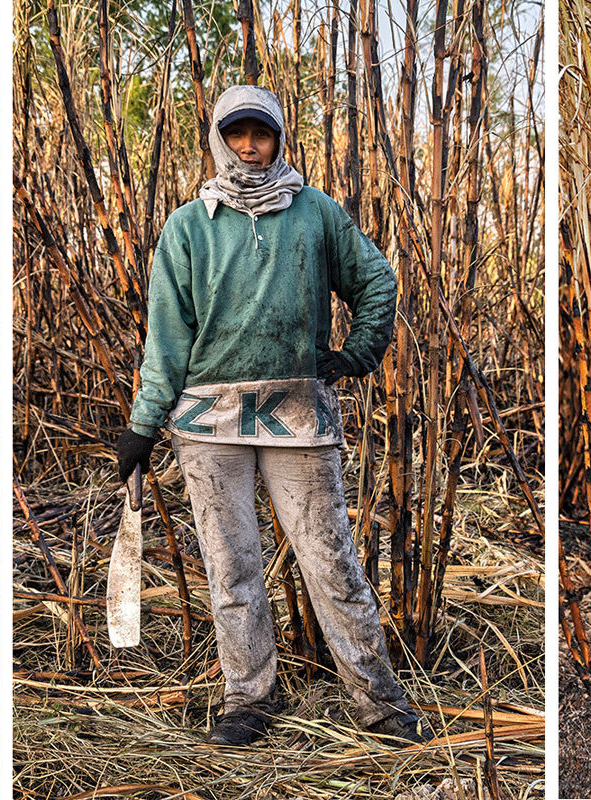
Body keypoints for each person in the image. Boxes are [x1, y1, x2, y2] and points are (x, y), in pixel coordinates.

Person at [113, 85, 424, 747]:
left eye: (261, 133)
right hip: (206, 421)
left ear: (280, 137)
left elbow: (378, 280)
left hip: (297, 413)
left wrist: (359, 353)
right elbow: (166, 337)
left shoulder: (314, 213)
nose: (249, 146)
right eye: (237, 134)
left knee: (329, 560)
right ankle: (247, 701)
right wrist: (143, 426)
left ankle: (380, 704)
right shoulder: (188, 226)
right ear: (218, 138)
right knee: (232, 567)